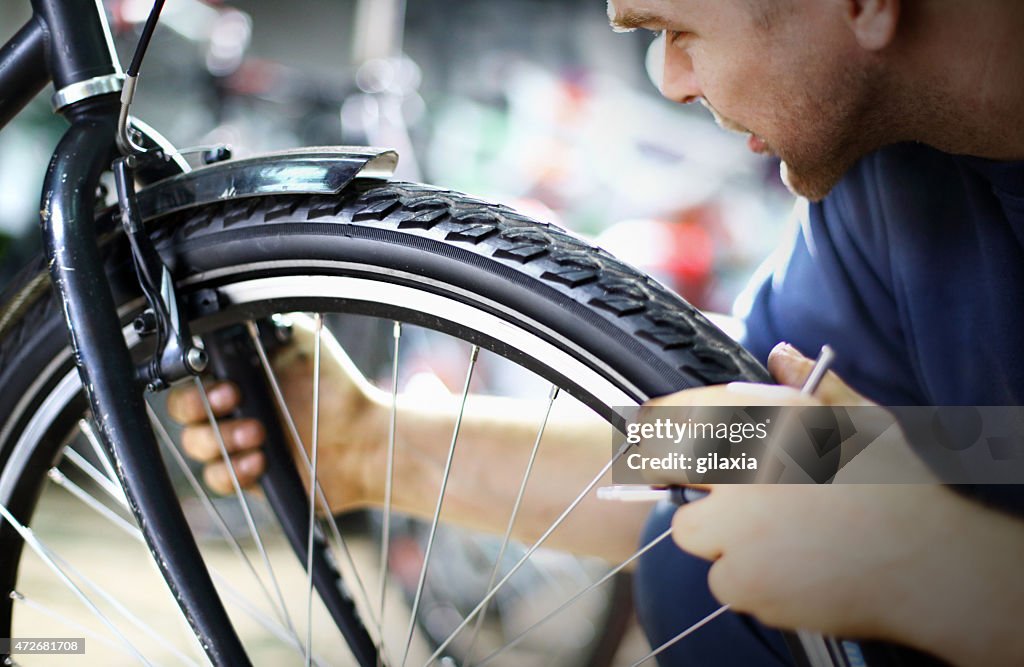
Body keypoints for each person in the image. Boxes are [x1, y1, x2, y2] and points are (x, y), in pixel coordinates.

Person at [168, 0, 1024, 665]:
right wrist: (373, 445)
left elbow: (902, 529)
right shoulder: (902, 189)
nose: (668, 76)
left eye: (677, 27)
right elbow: (737, 456)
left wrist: (941, 572)